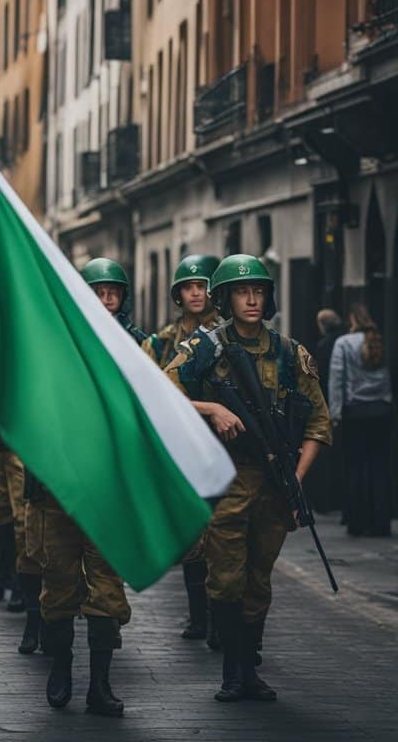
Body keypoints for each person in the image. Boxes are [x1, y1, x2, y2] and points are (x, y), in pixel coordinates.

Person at [165, 255, 331, 702]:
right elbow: (161, 394)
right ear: (225, 298)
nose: (252, 299)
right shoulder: (204, 348)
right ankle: (232, 671)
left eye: (258, 291)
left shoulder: (289, 352)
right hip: (226, 477)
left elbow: (318, 423)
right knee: (226, 577)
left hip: (275, 483)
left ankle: (249, 668)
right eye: (242, 291)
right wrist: (212, 408)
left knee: (259, 579)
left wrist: (294, 479)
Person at [33, 257, 138, 718]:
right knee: (57, 588)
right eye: (97, 291)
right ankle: (60, 667)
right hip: (56, 490)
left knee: (107, 592)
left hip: (109, 491)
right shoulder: (53, 347)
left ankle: (100, 683)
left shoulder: (135, 348)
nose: (106, 300)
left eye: (113, 292)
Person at [142, 254, 222, 643]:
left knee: (225, 539)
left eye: (203, 285)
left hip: (224, 446)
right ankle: (198, 616)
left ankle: (227, 623)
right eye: (189, 286)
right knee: (193, 537)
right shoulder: (160, 342)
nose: (196, 292)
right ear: (178, 293)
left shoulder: (229, 335)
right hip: (180, 449)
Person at [329, 303, 392, 537]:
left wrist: (335, 414)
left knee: (355, 468)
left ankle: (356, 521)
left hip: (355, 412)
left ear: (351, 319)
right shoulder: (379, 340)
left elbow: (337, 381)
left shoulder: (343, 343)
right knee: (379, 468)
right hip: (381, 411)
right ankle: (381, 522)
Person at [81, 257, 147, 342]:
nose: (106, 300)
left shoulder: (135, 337)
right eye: (99, 294)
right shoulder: (75, 332)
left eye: (113, 293)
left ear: (123, 297)